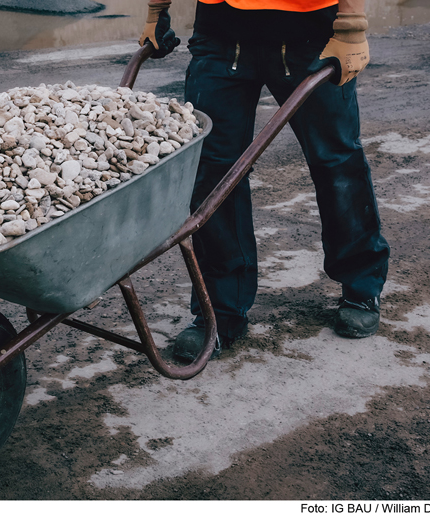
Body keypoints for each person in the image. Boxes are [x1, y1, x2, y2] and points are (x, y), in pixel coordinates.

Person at [138, 0, 390, 361]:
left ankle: (362, 285)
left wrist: (351, 25)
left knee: (336, 163)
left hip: (310, 33)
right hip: (221, 34)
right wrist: (156, 10)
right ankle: (221, 311)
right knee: (213, 172)